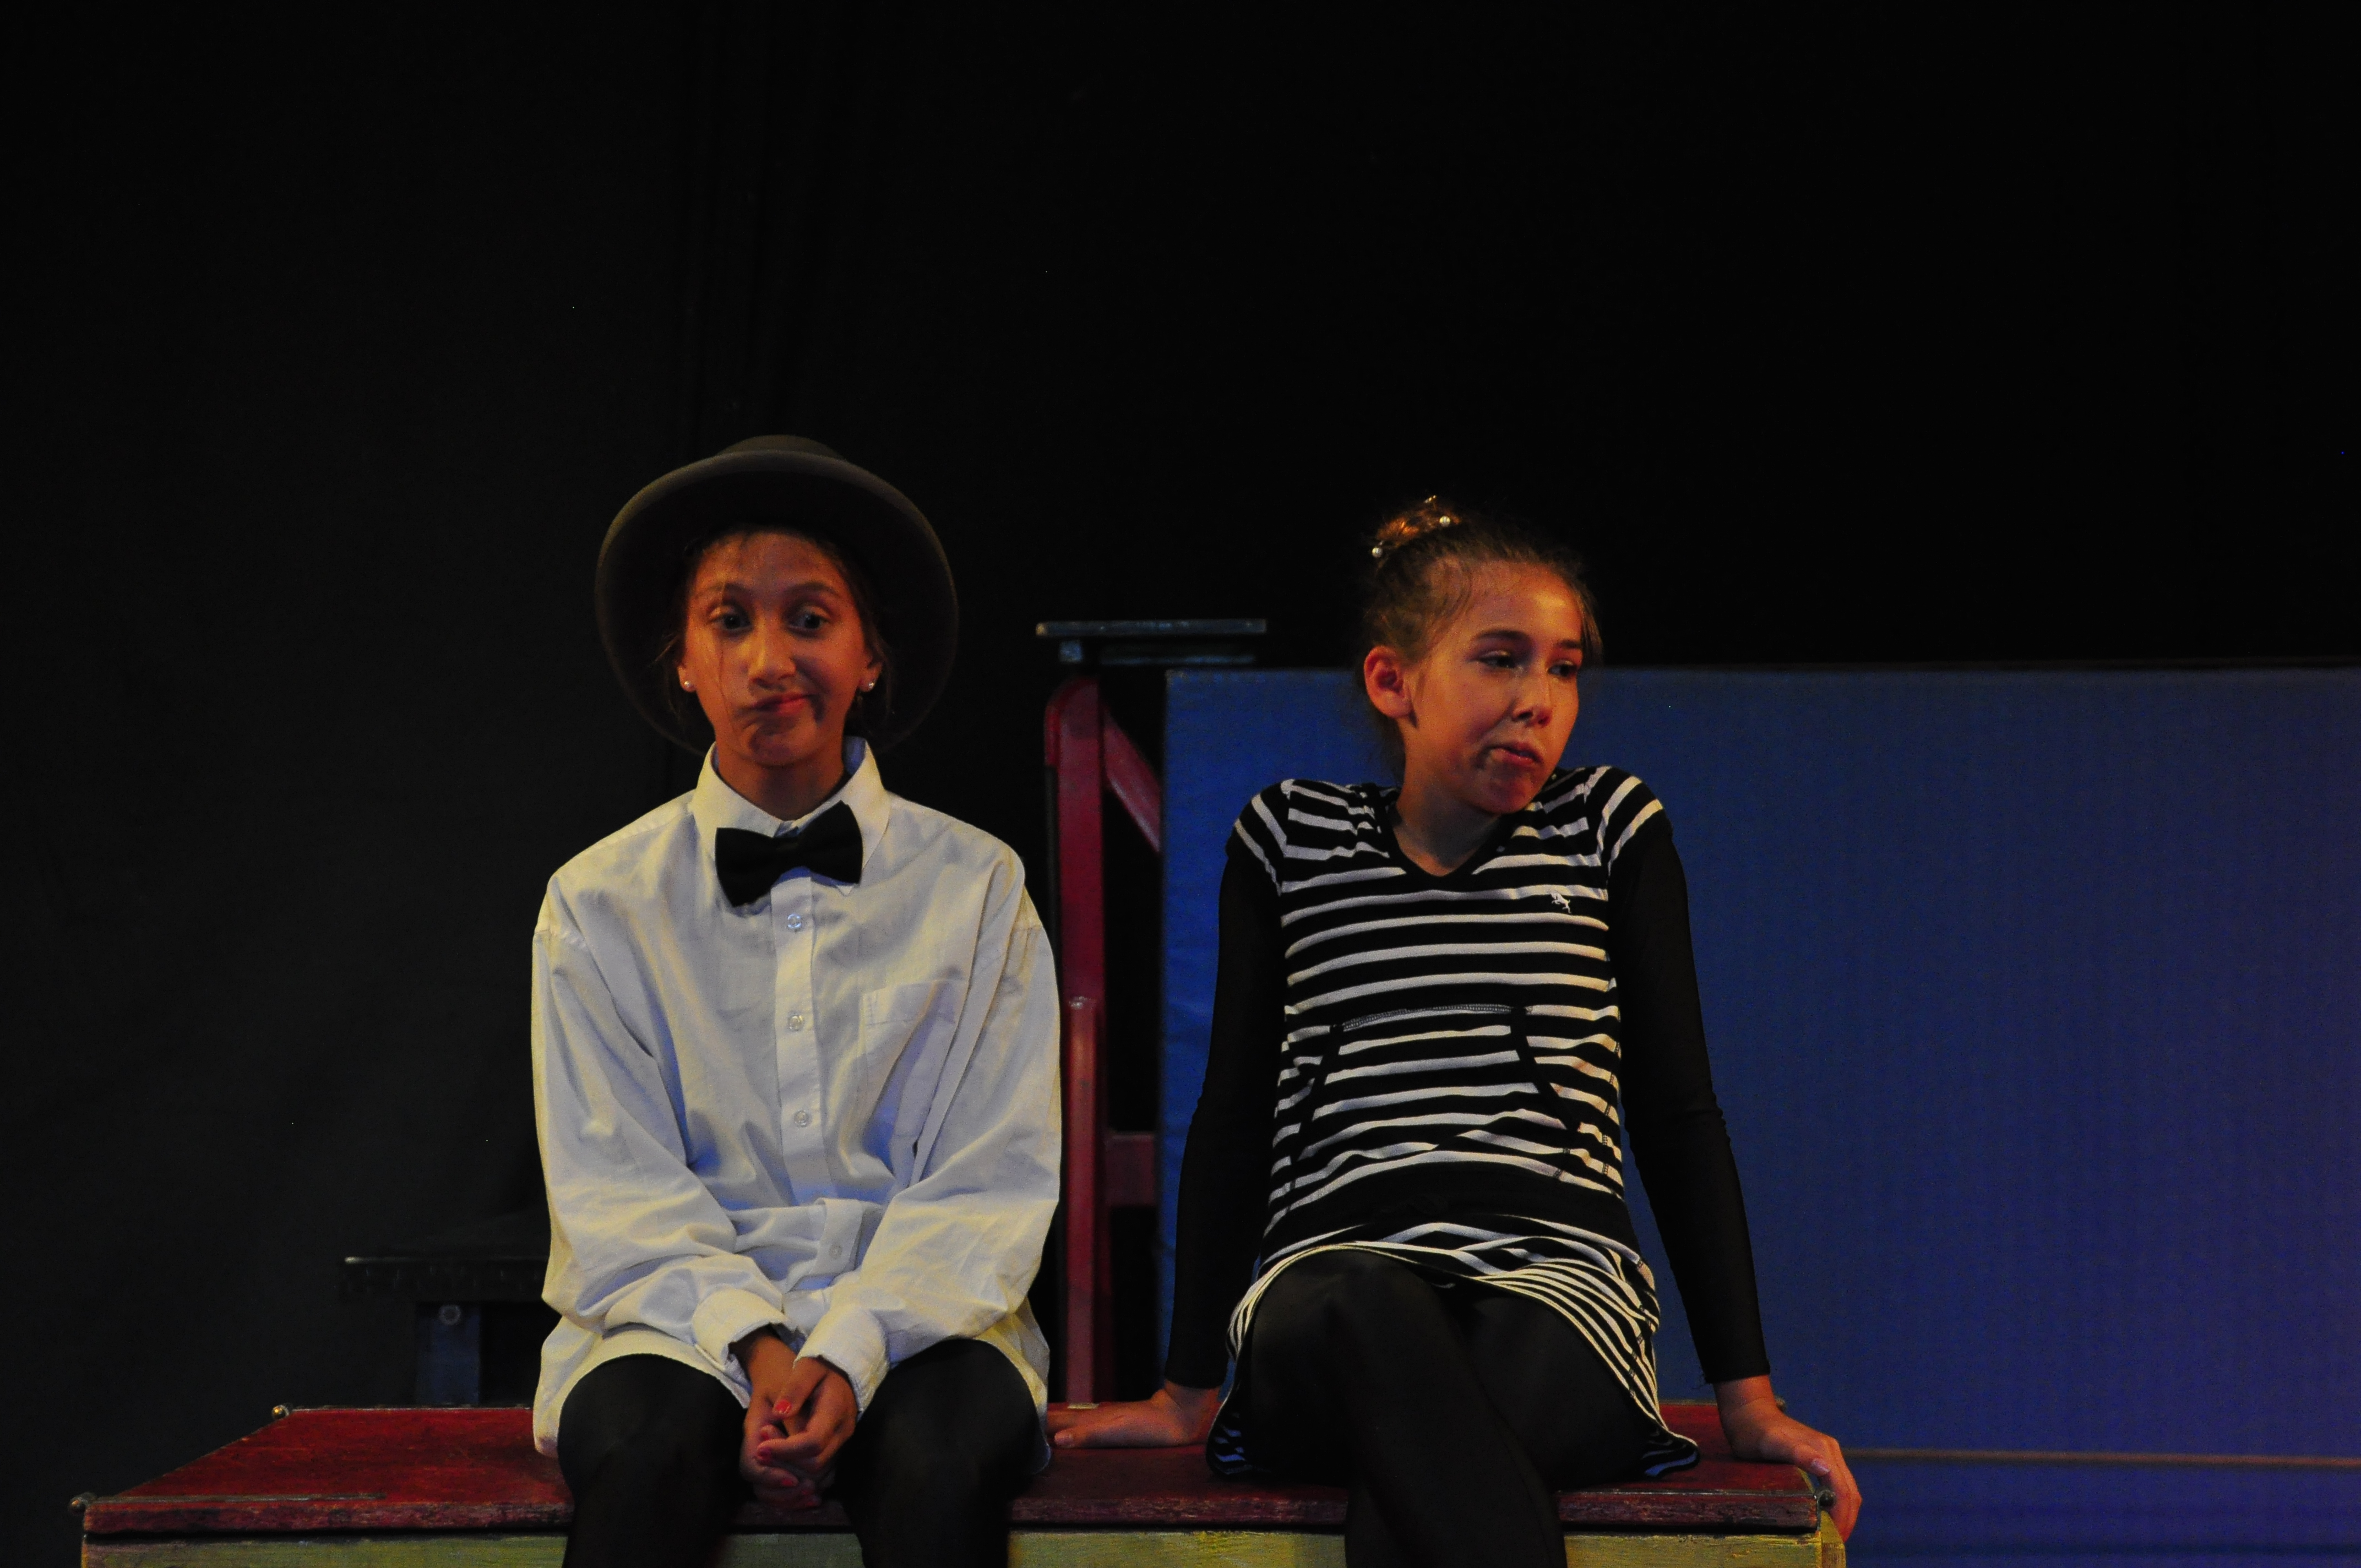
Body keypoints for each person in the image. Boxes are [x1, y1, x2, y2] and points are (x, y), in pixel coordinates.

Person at [1049, 499, 1862, 1562]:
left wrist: (1749, 1402)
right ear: (1395, 681)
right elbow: (1236, 1116)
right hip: (1330, 1282)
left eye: (1563, 669)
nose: (1538, 702)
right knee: (1367, 1304)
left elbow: (1677, 1114)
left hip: (1554, 1288)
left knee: (1424, 1428)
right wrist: (1185, 1391)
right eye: (1500, 659)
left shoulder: (1606, 827)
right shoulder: (1291, 838)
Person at [531, 436, 1060, 1568]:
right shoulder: (597, 902)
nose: (770, 659)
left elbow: (989, 1178)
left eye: (810, 619)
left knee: (936, 1465)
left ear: (870, 656)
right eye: (729, 621)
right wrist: (760, 1346)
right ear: (682, 659)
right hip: (673, 1325)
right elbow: (615, 1187)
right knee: (649, 1453)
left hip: (922, 1319)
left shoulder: (978, 888)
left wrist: (853, 1346)